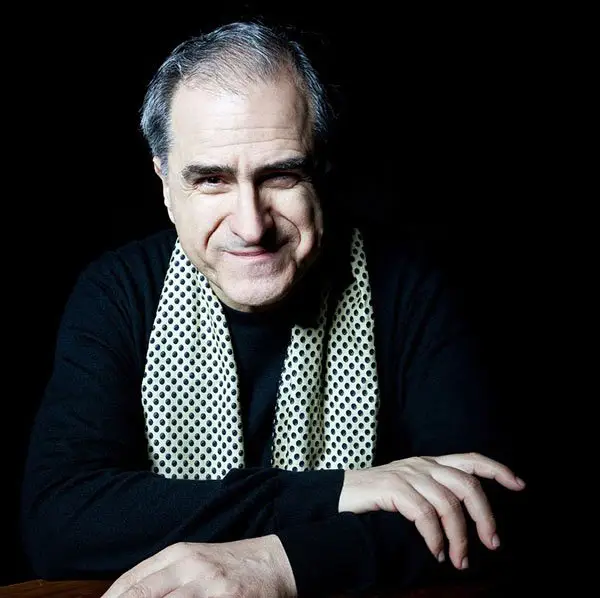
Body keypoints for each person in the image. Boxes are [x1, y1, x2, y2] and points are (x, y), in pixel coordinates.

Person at [20, 20, 527, 598]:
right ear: (164, 183)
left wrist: (280, 565)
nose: (251, 225)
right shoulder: (118, 291)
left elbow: (484, 510)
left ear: (322, 170)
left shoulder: (408, 287)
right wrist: (337, 492)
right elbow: (61, 521)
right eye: (211, 180)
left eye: (281, 175)